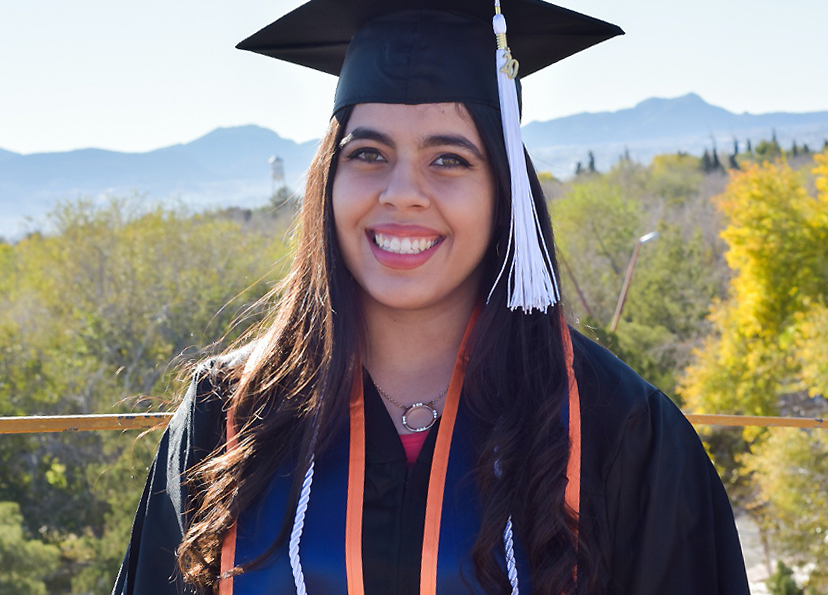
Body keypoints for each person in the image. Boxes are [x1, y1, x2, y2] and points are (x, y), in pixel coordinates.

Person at [113, 1, 750, 594]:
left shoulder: (615, 427)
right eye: (368, 154)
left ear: (507, 193)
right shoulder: (230, 417)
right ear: (328, 182)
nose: (401, 192)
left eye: (448, 159)